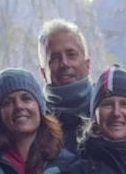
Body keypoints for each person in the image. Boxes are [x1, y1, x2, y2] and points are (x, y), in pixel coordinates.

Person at [38, 18, 92, 154]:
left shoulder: (111, 110)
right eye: (55, 58)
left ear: (87, 64)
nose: (65, 64)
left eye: (71, 55)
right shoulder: (35, 121)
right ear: (43, 72)